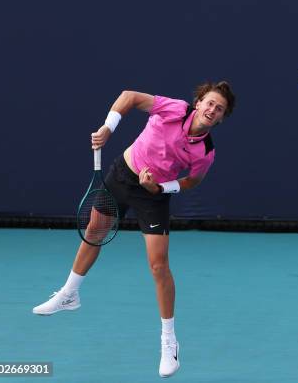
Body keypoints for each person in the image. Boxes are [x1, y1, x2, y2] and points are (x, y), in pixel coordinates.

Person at [32, 81, 236, 378]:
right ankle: (69, 295)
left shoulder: (205, 151)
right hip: (121, 176)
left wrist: (160, 187)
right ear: (199, 102)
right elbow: (128, 97)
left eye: (219, 109)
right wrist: (107, 128)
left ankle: (169, 341)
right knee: (94, 233)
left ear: (220, 118)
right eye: (209, 103)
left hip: (153, 194)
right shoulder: (174, 109)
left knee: (158, 266)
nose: (212, 110)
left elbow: (193, 181)